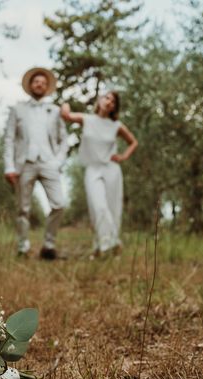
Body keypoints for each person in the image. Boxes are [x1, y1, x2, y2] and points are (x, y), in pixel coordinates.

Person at [60, 92, 138, 256]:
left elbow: (133, 142)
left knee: (112, 208)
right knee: (98, 206)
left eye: (113, 101)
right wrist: (65, 103)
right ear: (99, 100)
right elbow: (66, 115)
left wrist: (123, 156)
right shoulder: (86, 119)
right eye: (107, 98)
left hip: (112, 169)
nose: (109, 102)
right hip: (93, 169)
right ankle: (112, 243)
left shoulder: (116, 126)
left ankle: (101, 248)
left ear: (115, 107)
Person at [3, 67, 68, 260]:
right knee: (23, 208)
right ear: (30, 85)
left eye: (43, 82)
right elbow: (8, 139)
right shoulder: (17, 109)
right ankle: (23, 248)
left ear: (47, 87)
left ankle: (48, 245)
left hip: (49, 163)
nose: (39, 84)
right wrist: (9, 167)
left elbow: (64, 139)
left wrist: (58, 162)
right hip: (24, 164)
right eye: (36, 81)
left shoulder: (55, 111)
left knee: (60, 204)